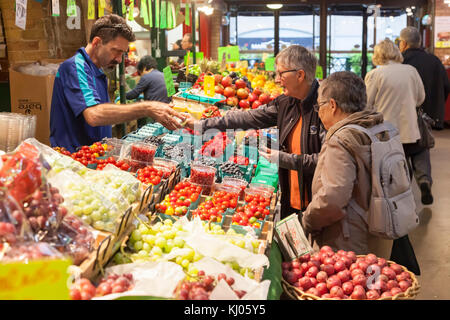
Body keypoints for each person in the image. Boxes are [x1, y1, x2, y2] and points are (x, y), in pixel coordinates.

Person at [185, 45, 325, 220]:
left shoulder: (325, 108)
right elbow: (246, 118)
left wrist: (284, 159)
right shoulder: (286, 103)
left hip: (317, 205)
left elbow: (328, 160)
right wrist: (201, 124)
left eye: (281, 74)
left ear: (300, 75)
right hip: (290, 201)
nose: (277, 79)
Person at [50, 14, 185, 152]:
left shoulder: (98, 71)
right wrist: (147, 108)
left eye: (123, 53)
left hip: (93, 156)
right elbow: (94, 115)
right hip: (74, 159)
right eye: (116, 51)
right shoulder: (75, 67)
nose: (120, 60)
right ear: (97, 42)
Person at [301, 71, 393, 256]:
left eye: (320, 107)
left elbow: (333, 198)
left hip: (346, 240)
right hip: (379, 231)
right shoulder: (378, 128)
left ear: (332, 105)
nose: (319, 114)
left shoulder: (341, 140)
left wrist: (307, 220)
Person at [365, 39, 432, 205]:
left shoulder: (375, 74)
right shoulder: (411, 71)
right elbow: (420, 98)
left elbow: (367, 103)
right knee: (418, 153)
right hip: (410, 128)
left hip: (386, 132)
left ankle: (403, 198)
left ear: (378, 55)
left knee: (396, 167)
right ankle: (424, 182)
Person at [399, 26, 450, 130]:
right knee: (425, 142)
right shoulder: (434, 60)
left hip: (405, 115)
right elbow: (446, 86)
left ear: (404, 43)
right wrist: (437, 105)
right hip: (430, 116)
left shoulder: (401, 61)